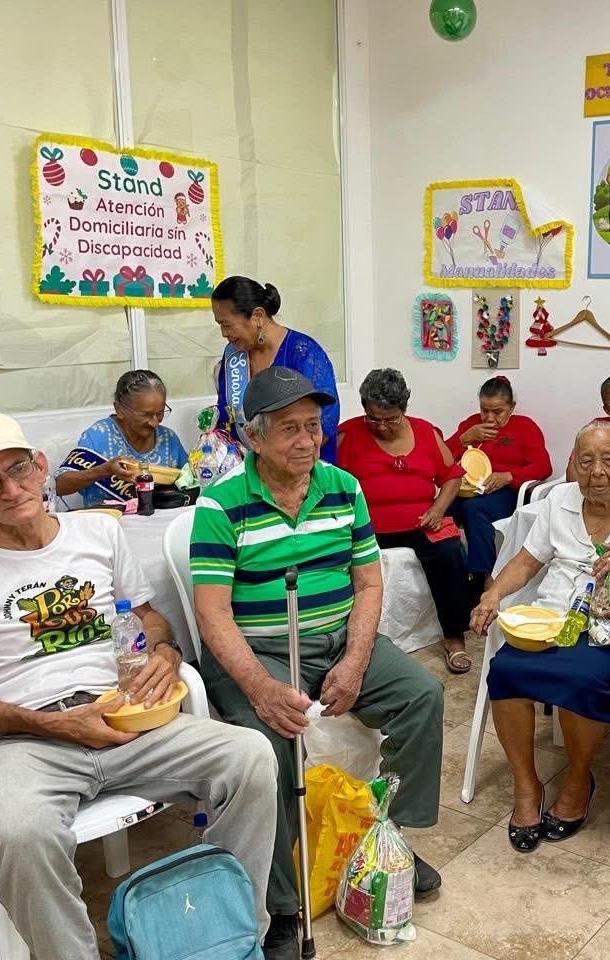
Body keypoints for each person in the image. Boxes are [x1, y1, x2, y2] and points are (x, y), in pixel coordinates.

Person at [0, 413, 277, 960]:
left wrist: (167, 653)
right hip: (25, 739)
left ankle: (227, 935)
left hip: (125, 715)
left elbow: (148, 616)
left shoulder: (99, 532)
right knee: (21, 832)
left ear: (40, 466)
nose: (11, 489)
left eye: (18, 469)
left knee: (251, 757)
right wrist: (49, 724)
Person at [191, 368, 445, 956]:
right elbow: (212, 614)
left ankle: (386, 842)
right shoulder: (221, 504)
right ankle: (281, 902)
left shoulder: (343, 488)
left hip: (335, 638)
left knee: (422, 696)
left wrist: (355, 660)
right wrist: (259, 687)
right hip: (256, 651)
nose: (307, 441)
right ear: (253, 437)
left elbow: (369, 584)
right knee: (270, 743)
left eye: (313, 426)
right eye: (289, 429)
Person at [471, 422, 610, 853]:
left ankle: (577, 780)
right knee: (505, 670)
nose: (597, 472)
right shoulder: (558, 501)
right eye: (586, 461)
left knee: (581, 678)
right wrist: (492, 593)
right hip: (552, 618)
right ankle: (526, 787)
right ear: (573, 464)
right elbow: (527, 560)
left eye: (609, 460)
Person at [338, 368, 474, 674]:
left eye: (390, 419)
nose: (381, 426)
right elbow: (328, 480)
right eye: (373, 418)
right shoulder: (347, 435)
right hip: (367, 527)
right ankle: (352, 643)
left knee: (450, 553)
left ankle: (454, 638)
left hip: (422, 522)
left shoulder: (426, 432)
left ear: (404, 408)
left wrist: (438, 508)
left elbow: (453, 476)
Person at [212, 275, 339, 462]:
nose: (224, 333)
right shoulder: (233, 355)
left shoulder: (303, 352)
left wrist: (277, 464)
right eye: (220, 325)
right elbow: (226, 415)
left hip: (301, 463)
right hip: (247, 467)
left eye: (227, 325)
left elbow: (325, 421)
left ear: (257, 316)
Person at [447, 375, 553, 592]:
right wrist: (464, 438)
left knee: (474, 509)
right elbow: (442, 458)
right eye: (484, 410)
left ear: (511, 407)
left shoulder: (524, 427)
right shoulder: (471, 424)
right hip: (469, 490)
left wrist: (509, 476)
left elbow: (544, 467)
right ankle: (452, 571)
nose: (489, 418)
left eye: (497, 412)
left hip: (506, 493)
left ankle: (483, 578)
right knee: (440, 509)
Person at [55, 369, 186, 507]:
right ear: (119, 409)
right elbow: (59, 486)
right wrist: (105, 470)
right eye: (145, 415)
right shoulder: (98, 436)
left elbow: (191, 481)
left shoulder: (168, 438)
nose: (155, 422)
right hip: (106, 520)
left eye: (160, 413)